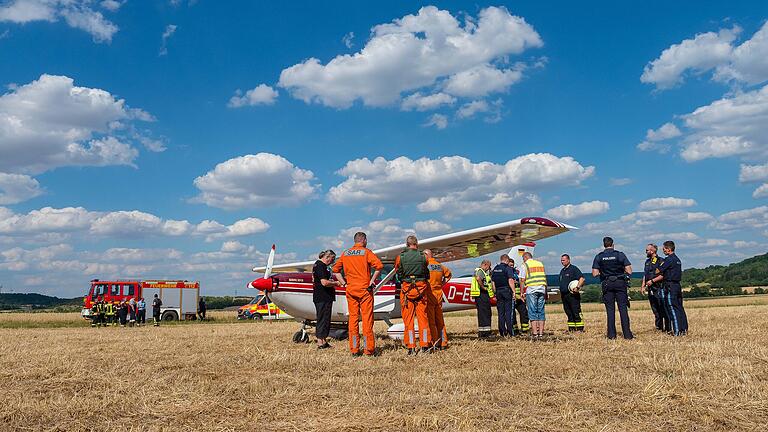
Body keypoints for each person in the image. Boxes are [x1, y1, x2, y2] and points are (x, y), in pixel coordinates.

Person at [333, 231, 383, 356]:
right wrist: (372, 281)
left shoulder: (346, 253)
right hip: (364, 290)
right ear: (364, 240)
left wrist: (344, 283)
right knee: (367, 320)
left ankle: (354, 350)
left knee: (353, 320)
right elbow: (379, 266)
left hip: (351, 290)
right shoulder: (366, 252)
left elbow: (335, 270)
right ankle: (368, 350)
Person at [394, 235, 431, 355]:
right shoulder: (423, 256)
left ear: (407, 244)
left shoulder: (401, 257)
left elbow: (398, 271)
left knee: (408, 321)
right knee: (423, 320)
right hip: (421, 291)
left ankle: (411, 347)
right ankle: (425, 346)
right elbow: (426, 272)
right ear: (417, 244)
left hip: (406, 291)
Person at [592, 237, 633, 340]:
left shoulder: (599, 257)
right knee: (623, 309)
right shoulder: (620, 255)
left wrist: (604, 272)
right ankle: (627, 335)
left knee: (610, 310)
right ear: (613, 244)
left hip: (607, 283)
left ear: (604, 245)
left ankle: (611, 335)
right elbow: (629, 271)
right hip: (620, 283)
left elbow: (594, 273)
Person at [646, 240, 688, 336]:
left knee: (672, 308)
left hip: (670, 286)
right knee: (679, 308)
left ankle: (677, 331)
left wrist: (658, 269)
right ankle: (683, 329)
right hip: (677, 285)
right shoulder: (677, 259)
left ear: (669, 249)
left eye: (664, 249)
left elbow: (658, 270)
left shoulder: (668, 259)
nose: (663, 250)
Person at [313, 249, 341, 349]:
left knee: (325, 319)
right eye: (332, 259)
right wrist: (336, 283)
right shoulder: (320, 266)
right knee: (322, 319)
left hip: (325, 297)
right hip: (322, 297)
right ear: (327, 257)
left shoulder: (321, 266)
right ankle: (320, 342)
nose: (332, 261)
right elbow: (324, 282)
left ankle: (323, 340)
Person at [424, 249, 452, 349]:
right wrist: (442, 284)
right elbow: (449, 275)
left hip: (430, 293)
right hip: (439, 293)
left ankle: (435, 342)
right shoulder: (439, 265)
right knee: (440, 320)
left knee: (431, 320)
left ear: (426, 255)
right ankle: (443, 342)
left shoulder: (426, 265)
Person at [641, 244, 670, 332]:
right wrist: (643, 286)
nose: (646, 252)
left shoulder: (660, 261)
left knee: (663, 309)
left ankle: (668, 328)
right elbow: (645, 275)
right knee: (655, 310)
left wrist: (653, 281)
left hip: (659, 288)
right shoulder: (647, 262)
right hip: (651, 289)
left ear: (652, 251)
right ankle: (659, 328)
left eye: (647, 250)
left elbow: (663, 275)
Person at [520, 252, 547, 339]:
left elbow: (522, 280)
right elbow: (544, 278)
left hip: (531, 290)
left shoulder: (525, 265)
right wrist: (545, 291)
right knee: (541, 311)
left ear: (525, 258)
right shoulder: (540, 264)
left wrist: (521, 292)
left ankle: (535, 333)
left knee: (532, 311)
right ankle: (541, 333)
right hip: (541, 289)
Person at [491, 254, 517, 337]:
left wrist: (495, 292)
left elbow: (493, 282)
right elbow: (510, 280)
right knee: (508, 312)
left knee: (501, 313)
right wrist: (514, 292)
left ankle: (502, 331)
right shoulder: (507, 268)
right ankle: (510, 332)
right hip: (506, 291)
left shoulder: (495, 269)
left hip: (498, 291)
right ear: (507, 260)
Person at [559, 254, 585, 332]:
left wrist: (577, 287)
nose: (562, 262)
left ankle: (580, 329)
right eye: (561, 260)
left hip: (573, 295)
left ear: (568, 260)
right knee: (568, 312)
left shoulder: (574, 269)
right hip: (564, 295)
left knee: (576, 312)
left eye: (563, 260)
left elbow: (582, 279)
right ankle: (572, 329)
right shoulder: (562, 271)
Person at [470, 259, 495, 338]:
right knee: (486, 313)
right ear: (485, 264)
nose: (489, 268)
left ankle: (482, 332)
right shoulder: (480, 271)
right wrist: (483, 287)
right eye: (489, 266)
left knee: (482, 313)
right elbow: (478, 278)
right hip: (482, 294)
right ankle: (486, 333)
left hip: (479, 295)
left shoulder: (479, 271)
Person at [510, 258, 530, 334]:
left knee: (524, 312)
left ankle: (525, 329)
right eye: (510, 265)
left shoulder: (516, 273)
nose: (511, 266)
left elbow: (522, 283)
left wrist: (522, 294)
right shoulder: (506, 273)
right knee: (513, 315)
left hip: (519, 297)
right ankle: (515, 331)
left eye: (512, 265)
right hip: (511, 297)